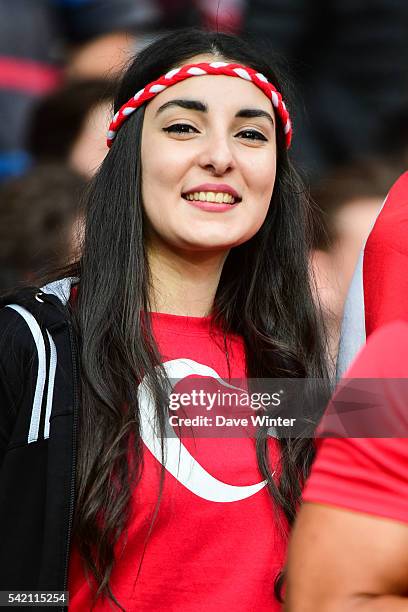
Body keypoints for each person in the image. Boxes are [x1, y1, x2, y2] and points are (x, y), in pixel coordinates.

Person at [0, 29, 328, 610]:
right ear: (126, 153)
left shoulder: (299, 367)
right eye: (183, 126)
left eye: (252, 134)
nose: (221, 156)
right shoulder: (32, 345)